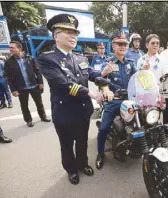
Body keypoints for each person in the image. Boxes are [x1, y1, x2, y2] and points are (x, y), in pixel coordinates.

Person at [37, 14, 113, 185]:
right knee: (66, 144)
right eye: (68, 32)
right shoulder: (47, 59)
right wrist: (91, 93)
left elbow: (92, 74)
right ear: (56, 35)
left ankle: (82, 163)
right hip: (64, 112)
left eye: (75, 33)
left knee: (82, 140)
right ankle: (71, 170)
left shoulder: (81, 58)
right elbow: (62, 83)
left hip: (82, 110)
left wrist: (104, 77)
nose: (73, 36)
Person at [95, 32, 137, 170]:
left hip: (131, 99)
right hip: (115, 100)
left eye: (125, 44)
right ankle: (100, 153)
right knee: (103, 129)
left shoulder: (131, 63)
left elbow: (139, 79)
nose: (123, 46)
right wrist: (107, 90)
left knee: (147, 120)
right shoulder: (108, 62)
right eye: (120, 44)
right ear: (113, 46)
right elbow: (101, 80)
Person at [4, 41, 51, 127]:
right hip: (21, 88)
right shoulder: (8, 62)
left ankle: (43, 116)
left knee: (39, 102)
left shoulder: (30, 58)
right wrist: (13, 90)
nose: (10, 49)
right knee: (24, 105)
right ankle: (28, 120)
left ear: (19, 48)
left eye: (12, 48)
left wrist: (40, 82)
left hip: (34, 85)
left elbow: (37, 71)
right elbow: (9, 77)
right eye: (9, 48)